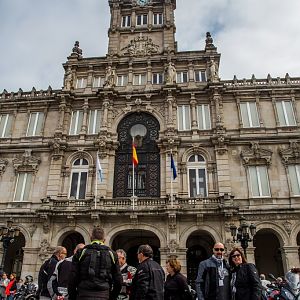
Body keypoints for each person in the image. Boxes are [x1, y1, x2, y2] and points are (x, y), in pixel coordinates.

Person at [68, 227, 122, 300]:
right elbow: (118, 280)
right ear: (104, 239)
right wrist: (112, 296)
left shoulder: (81, 252)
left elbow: (73, 277)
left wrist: (73, 296)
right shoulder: (112, 254)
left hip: (84, 294)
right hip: (104, 294)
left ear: (91, 238)